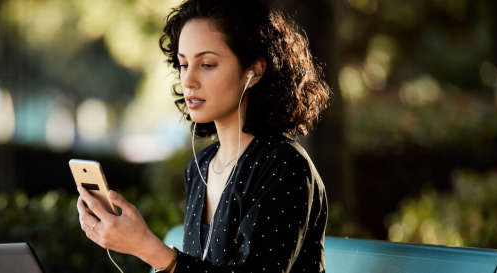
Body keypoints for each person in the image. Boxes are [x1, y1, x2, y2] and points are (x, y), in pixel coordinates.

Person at [76, 0, 332, 272]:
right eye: (183, 64)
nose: (188, 81)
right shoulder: (202, 166)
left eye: (207, 64)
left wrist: (148, 248)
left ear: (254, 71)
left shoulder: (283, 164)